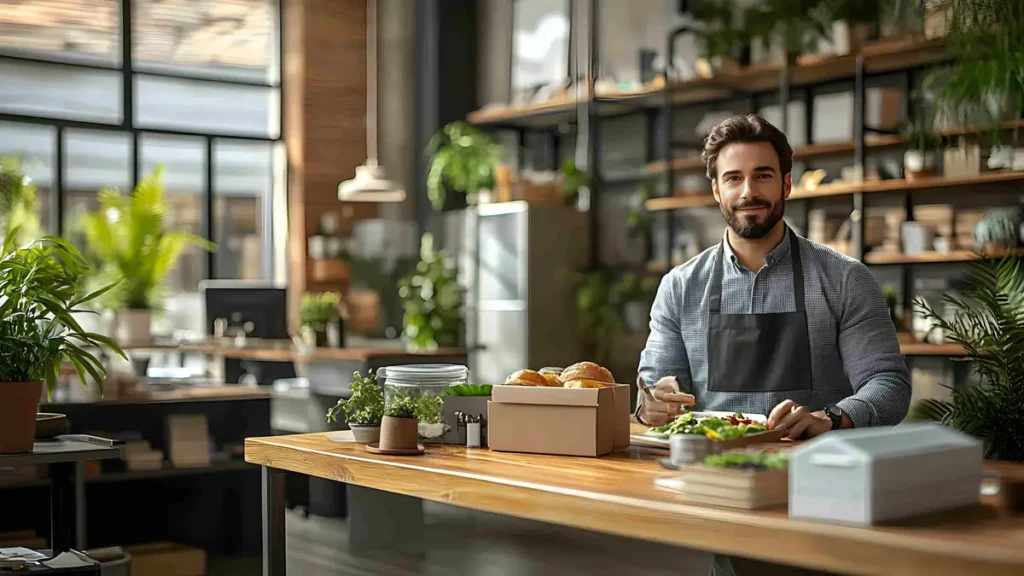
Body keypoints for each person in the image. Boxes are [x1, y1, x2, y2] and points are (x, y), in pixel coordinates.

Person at [636, 114, 911, 438]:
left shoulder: (845, 279)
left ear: (786, 183)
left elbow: (888, 384)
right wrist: (652, 404)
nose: (748, 192)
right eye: (733, 178)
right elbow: (652, 394)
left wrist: (830, 418)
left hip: (816, 467)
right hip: (708, 467)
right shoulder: (679, 287)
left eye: (762, 176)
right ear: (716, 189)